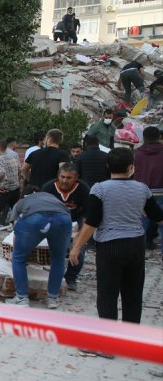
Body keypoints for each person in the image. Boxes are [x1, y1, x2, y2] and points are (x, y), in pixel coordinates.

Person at [69, 148, 163, 323]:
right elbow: (158, 217)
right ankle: (129, 339)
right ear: (131, 167)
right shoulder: (142, 189)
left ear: (107, 166)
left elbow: (92, 222)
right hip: (136, 245)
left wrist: (77, 247)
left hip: (109, 246)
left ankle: (108, 343)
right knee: (133, 295)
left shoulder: (99, 189)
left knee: (107, 294)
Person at [8, 185, 72, 309]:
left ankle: (21, 298)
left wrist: (20, 246)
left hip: (34, 218)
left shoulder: (21, 202)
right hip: (63, 219)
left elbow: (15, 227)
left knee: (18, 258)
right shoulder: (51, 197)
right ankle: (52, 298)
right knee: (58, 258)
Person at [42, 164, 89, 291]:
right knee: (55, 247)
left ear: (76, 178)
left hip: (75, 219)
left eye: (69, 178)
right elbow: (41, 209)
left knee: (79, 248)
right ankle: (51, 273)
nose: (64, 180)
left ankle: (71, 277)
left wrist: (80, 234)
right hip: (54, 219)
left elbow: (86, 214)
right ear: (58, 176)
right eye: (62, 177)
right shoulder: (48, 187)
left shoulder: (83, 188)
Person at [134, 126, 163, 253]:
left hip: (142, 191)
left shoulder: (138, 153)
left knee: (141, 223)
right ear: (159, 137)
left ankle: (137, 251)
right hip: (161, 192)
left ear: (144, 138)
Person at [0, 140, 21, 240]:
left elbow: (2, 173)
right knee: (17, 214)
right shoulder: (14, 156)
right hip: (15, 189)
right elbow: (20, 171)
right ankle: (19, 235)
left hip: (4, 190)